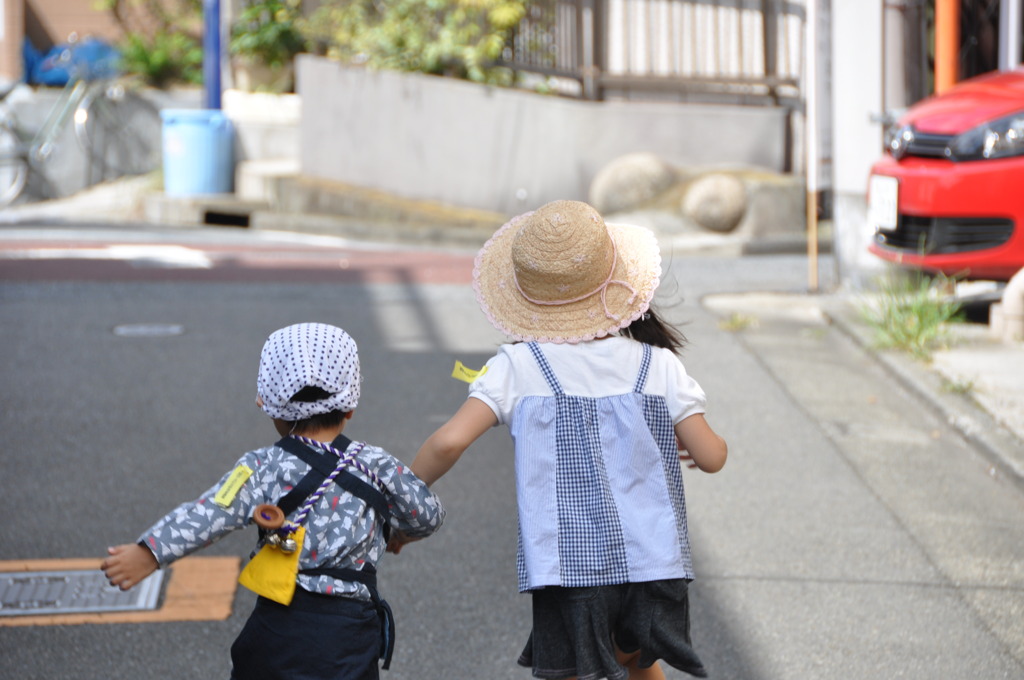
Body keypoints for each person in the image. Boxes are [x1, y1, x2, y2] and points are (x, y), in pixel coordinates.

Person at [393, 200, 727, 680]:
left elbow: (448, 443)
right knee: (638, 665)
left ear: (530, 298)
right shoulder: (658, 364)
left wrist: (399, 505)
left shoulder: (519, 368)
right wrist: (702, 449)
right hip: (655, 562)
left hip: (569, 565)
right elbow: (711, 456)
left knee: (572, 670)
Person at [101, 322, 445, 680]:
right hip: (348, 637)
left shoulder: (260, 467)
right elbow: (428, 516)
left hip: (280, 627)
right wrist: (397, 534)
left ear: (272, 406)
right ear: (349, 407)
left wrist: (149, 552)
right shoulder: (376, 465)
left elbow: (210, 513)